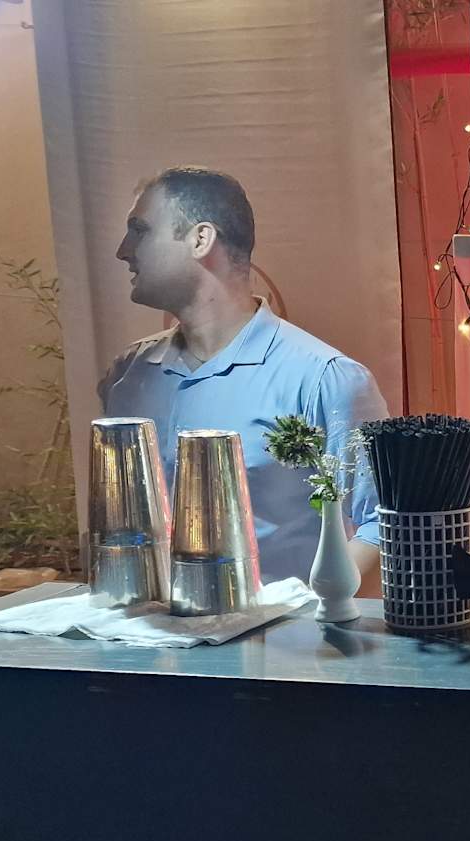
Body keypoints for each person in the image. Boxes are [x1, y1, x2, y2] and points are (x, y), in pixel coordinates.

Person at [100, 166, 387, 589]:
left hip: (280, 629)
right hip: (148, 625)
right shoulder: (127, 375)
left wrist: (306, 604)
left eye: (139, 230)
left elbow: (380, 522)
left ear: (201, 239)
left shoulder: (325, 379)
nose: (123, 251)